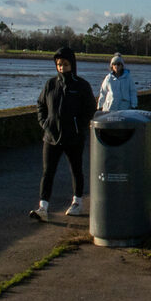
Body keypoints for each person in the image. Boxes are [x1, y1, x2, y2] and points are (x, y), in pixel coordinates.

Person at [31, 45, 95, 221]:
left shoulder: (81, 85)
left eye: (65, 64)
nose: (62, 68)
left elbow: (90, 108)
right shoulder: (50, 84)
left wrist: (78, 127)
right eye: (59, 64)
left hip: (74, 137)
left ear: (72, 64)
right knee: (48, 172)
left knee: (76, 170)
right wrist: (45, 124)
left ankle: (77, 203)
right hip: (51, 136)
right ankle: (43, 208)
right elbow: (40, 105)